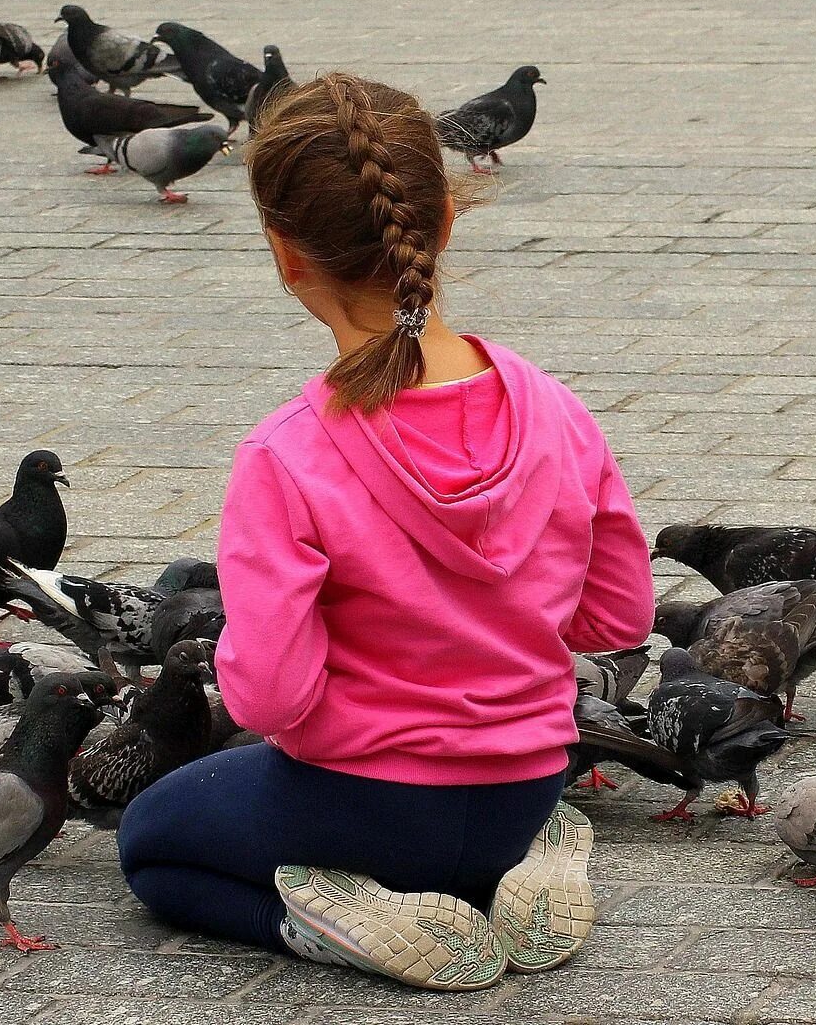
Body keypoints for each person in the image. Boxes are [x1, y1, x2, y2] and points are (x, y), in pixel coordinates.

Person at [117, 72, 655, 992]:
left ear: (286, 257)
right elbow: (617, 617)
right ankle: (518, 875)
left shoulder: (286, 455)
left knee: (151, 841)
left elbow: (272, 701)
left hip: (359, 808)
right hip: (524, 792)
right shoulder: (558, 412)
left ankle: (331, 927)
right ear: (446, 220)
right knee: (471, 832)